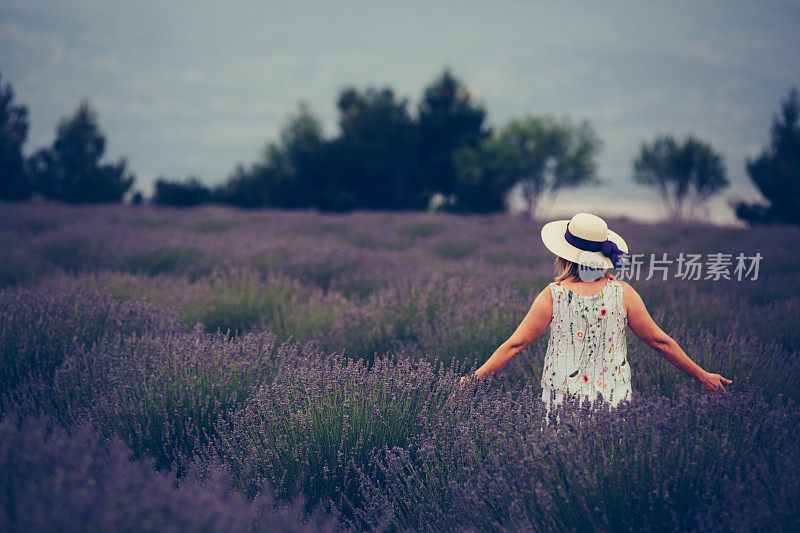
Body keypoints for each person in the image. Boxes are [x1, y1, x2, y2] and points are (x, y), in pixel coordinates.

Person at [458, 212, 732, 420]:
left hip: (562, 402)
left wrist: (474, 379)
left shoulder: (553, 295)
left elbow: (515, 345)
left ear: (564, 255)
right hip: (614, 402)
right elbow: (660, 342)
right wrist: (702, 376)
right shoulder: (622, 293)